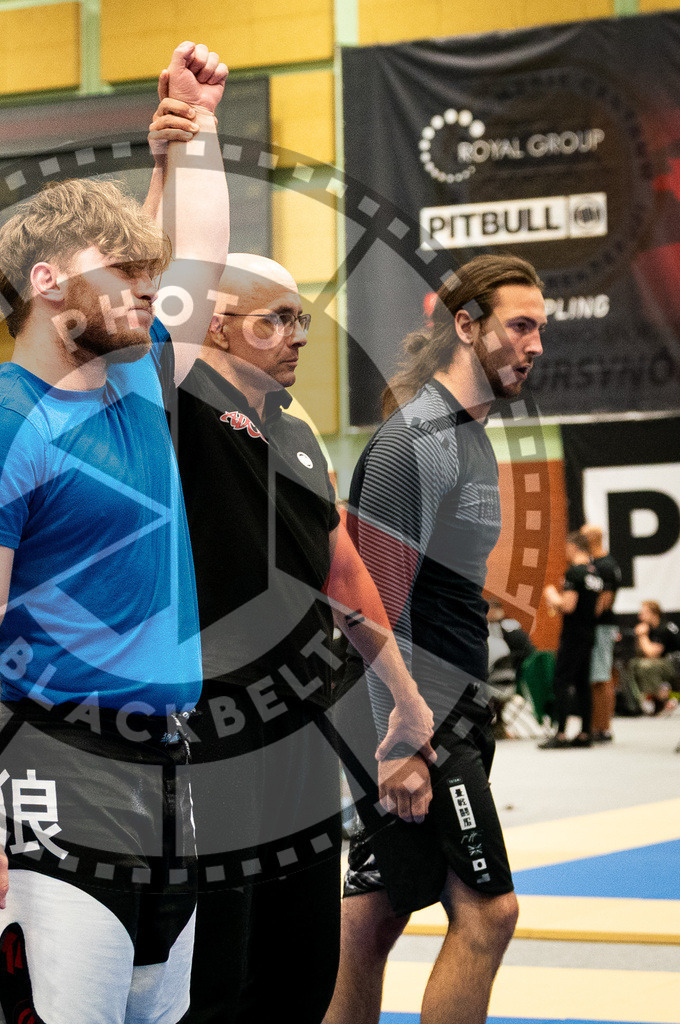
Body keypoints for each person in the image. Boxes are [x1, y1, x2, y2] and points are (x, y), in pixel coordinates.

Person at [0, 41, 228, 1024]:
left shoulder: (139, 385)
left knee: (157, 1014)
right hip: (54, 762)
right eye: (121, 271)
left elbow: (200, 256)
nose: (150, 285)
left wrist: (200, 130)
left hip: (167, 765)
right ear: (48, 282)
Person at [150, 248, 434, 1023]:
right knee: (220, 962)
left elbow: (342, 573)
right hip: (214, 721)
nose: (299, 335)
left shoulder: (298, 434)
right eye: (276, 319)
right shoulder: (177, 407)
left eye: (300, 318)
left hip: (302, 722)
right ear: (216, 324)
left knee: (305, 960)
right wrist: (174, 183)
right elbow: (168, 286)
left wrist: (404, 695)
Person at [325, 253, 546, 1024]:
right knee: (489, 914)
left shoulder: (471, 434)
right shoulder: (414, 442)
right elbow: (373, 608)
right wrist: (402, 743)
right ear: (467, 326)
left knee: (372, 915)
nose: (535, 344)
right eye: (520, 325)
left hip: (453, 704)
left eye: (540, 329)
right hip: (420, 714)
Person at [541, 530, 603, 748]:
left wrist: (551, 595)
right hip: (588, 633)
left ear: (574, 547)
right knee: (583, 683)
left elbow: (568, 606)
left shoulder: (574, 572)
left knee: (562, 681)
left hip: (572, 635)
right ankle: (585, 733)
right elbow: (597, 608)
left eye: (567, 548)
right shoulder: (595, 575)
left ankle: (560, 734)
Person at [580, 523, 622, 741]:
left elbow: (605, 601)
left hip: (601, 626)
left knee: (601, 676)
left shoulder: (606, 565)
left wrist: (586, 617)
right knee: (595, 677)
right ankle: (596, 725)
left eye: (583, 536)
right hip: (595, 626)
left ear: (593, 538)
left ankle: (603, 728)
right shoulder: (593, 563)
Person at [631, 600, 680, 714]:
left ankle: (662, 697)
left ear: (654, 613)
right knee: (634, 664)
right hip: (663, 662)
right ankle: (640, 700)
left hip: (674, 662)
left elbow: (652, 653)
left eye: (644, 613)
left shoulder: (664, 628)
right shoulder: (650, 629)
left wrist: (642, 636)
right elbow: (640, 654)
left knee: (646, 666)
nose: (640, 616)